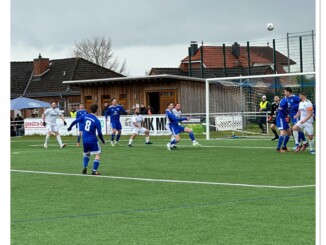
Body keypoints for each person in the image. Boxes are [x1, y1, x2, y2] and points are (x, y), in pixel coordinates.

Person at [67, 104, 105, 175]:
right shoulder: (96, 120)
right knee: (97, 154)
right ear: (97, 110)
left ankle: (85, 168)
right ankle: (94, 170)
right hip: (93, 140)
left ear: (90, 109)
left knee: (86, 155)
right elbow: (99, 133)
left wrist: (70, 127)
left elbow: (75, 121)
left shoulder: (84, 116)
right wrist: (103, 141)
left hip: (85, 140)